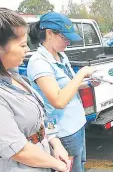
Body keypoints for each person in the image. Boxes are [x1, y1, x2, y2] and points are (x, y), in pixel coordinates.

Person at [27, 11, 100, 172]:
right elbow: (58, 100)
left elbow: (68, 86)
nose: (68, 42)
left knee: (79, 165)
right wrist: (82, 73)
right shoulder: (39, 63)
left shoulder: (61, 55)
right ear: (49, 33)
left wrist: (89, 83)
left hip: (77, 123)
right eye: (65, 37)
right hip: (63, 131)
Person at [0, 8, 71, 171]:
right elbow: (19, 151)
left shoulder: (16, 78)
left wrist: (55, 143)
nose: (27, 50)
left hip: (43, 156)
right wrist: (57, 164)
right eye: (23, 45)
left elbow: (41, 117)